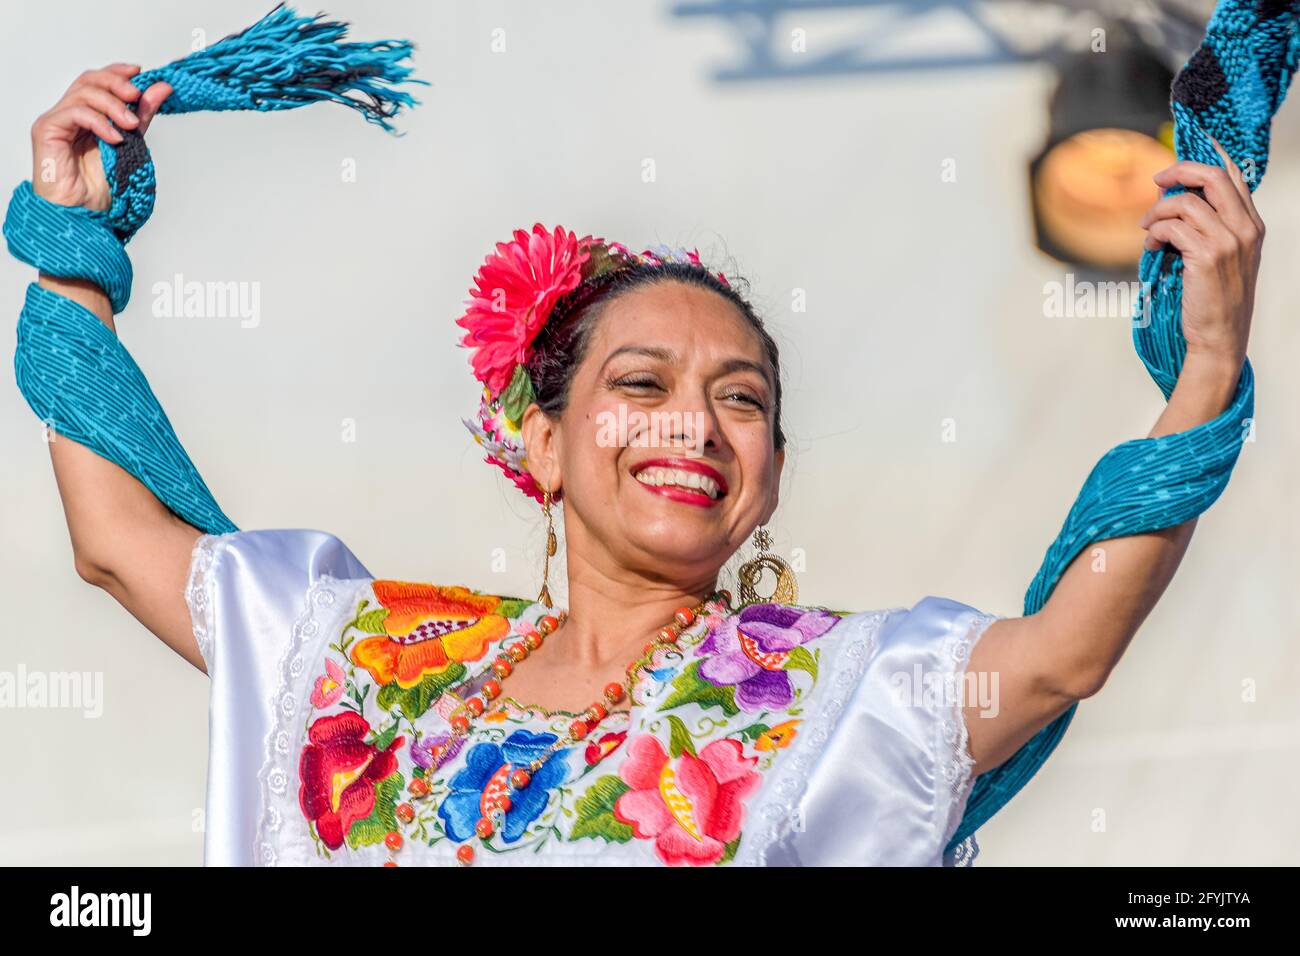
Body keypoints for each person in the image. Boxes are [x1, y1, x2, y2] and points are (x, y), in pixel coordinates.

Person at [26, 62, 1265, 867]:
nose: (694, 424)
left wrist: (1205, 369)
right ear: (540, 443)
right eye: (640, 385)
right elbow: (119, 540)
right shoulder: (371, 658)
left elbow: (1063, 650)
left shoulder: (840, 692)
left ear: (768, 475)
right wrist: (69, 241)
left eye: (741, 401)